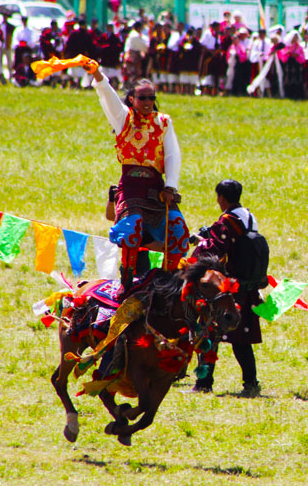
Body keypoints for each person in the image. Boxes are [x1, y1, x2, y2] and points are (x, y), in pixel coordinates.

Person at [88, 63, 188, 291]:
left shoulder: (163, 122)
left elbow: (173, 154)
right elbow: (107, 94)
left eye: (151, 98)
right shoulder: (123, 118)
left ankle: (169, 283)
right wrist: (97, 74)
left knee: (179, 232)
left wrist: (171, 187)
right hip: (131, 189)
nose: (146, 102)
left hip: (158, 189)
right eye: (142, 98)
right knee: (131, 229)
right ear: (131, 99)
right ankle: (127, 282)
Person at [189, 179, 264, 397]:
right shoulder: (249, 217)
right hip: (247, 286)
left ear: (221, 197)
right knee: (242, 338)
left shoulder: (228, 221)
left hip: (226, 288)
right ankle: (250, 383)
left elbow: (213, 252)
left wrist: (200, 241)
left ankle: (204, 383)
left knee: (209, 333)